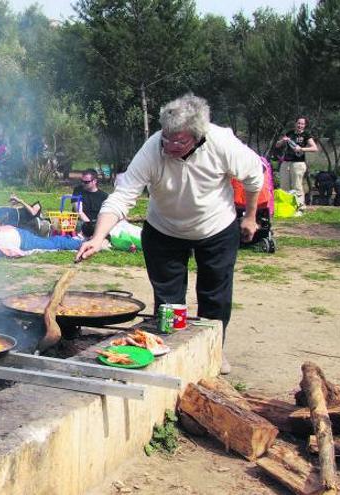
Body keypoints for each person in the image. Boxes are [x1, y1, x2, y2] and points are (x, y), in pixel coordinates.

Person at [76, 94, 263, 376]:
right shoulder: (153, 149)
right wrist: (98, 236)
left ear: (198, 137)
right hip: (164, 230)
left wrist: (249, 217)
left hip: (215, 229)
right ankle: (170, 353)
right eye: (167, 137)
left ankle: (214, 351)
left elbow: (253, 177)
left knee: (215, 296)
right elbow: (123, 196)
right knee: (168, 302)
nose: (170, 145)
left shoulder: (222, 142)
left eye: (179, 141)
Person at [0, 225, 81, 257]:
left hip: (21, 240)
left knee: (53, 244)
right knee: (49, 242)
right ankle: (74, 241)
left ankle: (80, 244)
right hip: (18, 235)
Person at [275, 116, 318, 208]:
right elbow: (277, 145)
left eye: (302, 124)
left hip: (298, 163)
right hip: (286, 163)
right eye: (298, 123)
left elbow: (314, 148)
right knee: (284, 185)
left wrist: (301, 148)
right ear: (295, 123)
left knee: (297, 186)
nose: (300, 125)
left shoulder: (306, 135)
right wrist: (283, 140)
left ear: (305, 125)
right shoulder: (289, 133)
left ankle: (300, 207)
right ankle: (286, 206)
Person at [71, 168, 109, 237]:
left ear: (94, 181)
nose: (83, 183)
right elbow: (78, 211)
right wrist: (90, 225)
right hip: (82, 222)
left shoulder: (104, 196)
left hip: (96, 223)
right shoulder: (78, 190)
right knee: (78, 225)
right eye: (82, 181)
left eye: (86, 182)